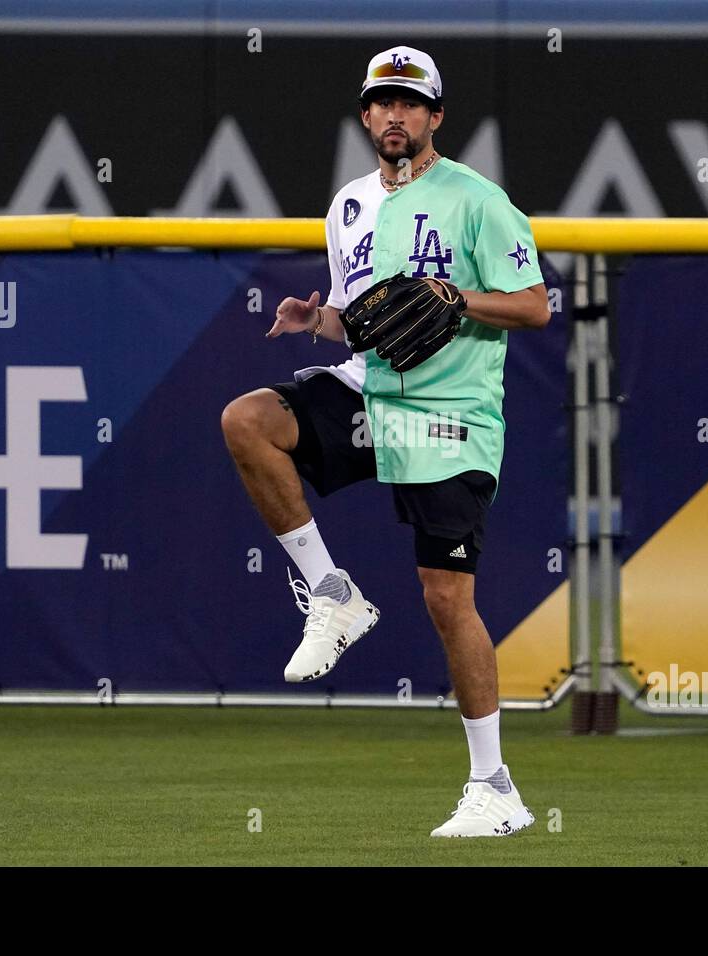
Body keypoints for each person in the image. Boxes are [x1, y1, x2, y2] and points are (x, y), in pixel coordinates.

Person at [220, 45, 550, 837]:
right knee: (247, 421)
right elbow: (362, 318)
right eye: (382, 101)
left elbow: (535, 304)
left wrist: (457, 296)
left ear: (436, 117)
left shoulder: (477, 199)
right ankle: (331, 593)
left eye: (412, 102)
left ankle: (494, 788)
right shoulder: (347, 207)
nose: (395, 114)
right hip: (374, 390)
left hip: (453, 413)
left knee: (446, 599)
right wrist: (319, 321)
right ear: (366, 116)